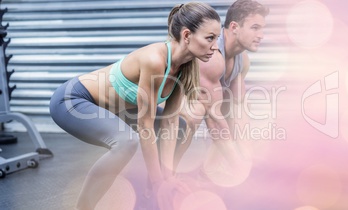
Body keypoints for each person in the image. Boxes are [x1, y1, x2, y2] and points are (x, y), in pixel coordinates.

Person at [49, 2, 221, 210]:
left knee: (181, 129)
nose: (216, 46)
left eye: (217, 38)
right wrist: (160, 181)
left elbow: (169, 124)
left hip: (115, 110)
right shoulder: (154, 60)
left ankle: (159, 193)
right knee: (126, 142)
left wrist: (167, 177)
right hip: (73, 100)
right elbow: (146, 127)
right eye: (210, 38)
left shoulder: (185, 67)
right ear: (187, 35)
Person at [175, 0, 269, 177]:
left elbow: (238, 109)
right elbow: (214, 119)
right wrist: (240, 166)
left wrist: (247, 156)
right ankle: (165, 174)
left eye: (263, 28)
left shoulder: (242, 60)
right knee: (197, 112)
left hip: (208, 102)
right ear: (234, 27)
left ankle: (210, 172)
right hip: (166, 104)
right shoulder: (211, 57)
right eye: (255, 27)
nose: (261, 35)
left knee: (235, 111)